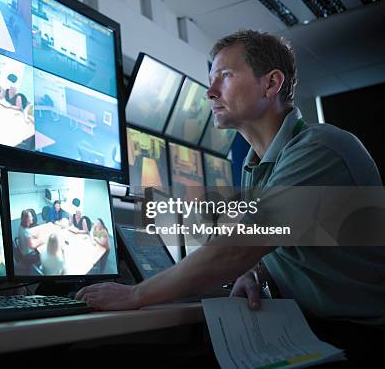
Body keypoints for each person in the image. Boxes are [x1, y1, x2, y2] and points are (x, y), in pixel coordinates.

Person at [76, 30, 385, 361]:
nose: (210, 92)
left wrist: (136, 294)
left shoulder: (319, 147)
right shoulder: (258, 166)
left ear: (271, 84)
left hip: (358, 338)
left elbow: (235, 249)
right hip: (309, 327)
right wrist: (257, 272)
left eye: (224, 76)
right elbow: (285, 245)